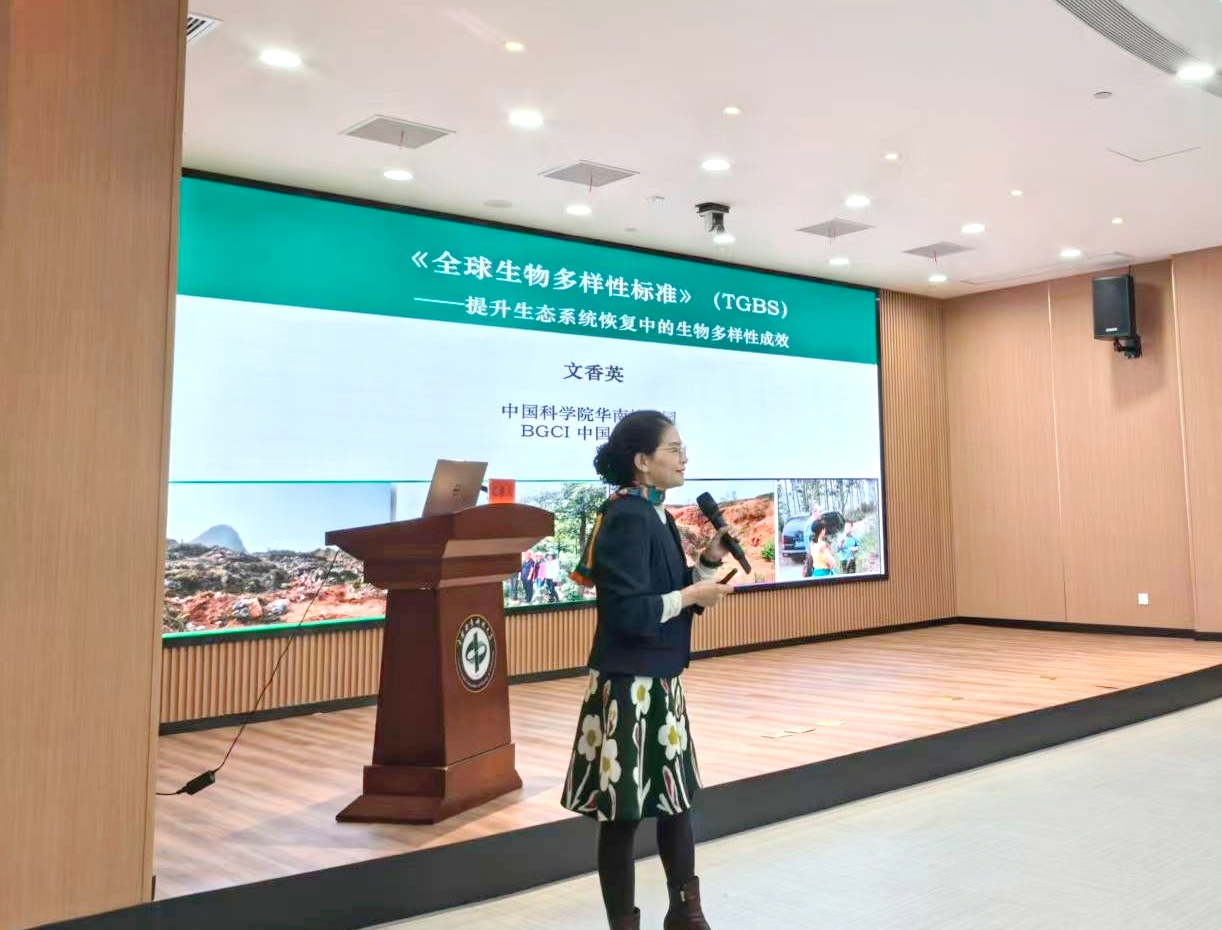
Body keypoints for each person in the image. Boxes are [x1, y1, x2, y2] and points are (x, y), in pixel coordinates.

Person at [562, 410, 733, 930]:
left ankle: (686, 912)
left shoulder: (655, 514)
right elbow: (629, 612)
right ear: (642, 460)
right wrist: (692, 594)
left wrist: (706, 565)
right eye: (674, 449)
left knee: (674, 802)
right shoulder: (627, 517)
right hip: (627, 685)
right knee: (624, 814)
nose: (684, 459)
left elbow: (670, 594)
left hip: (660, 678)